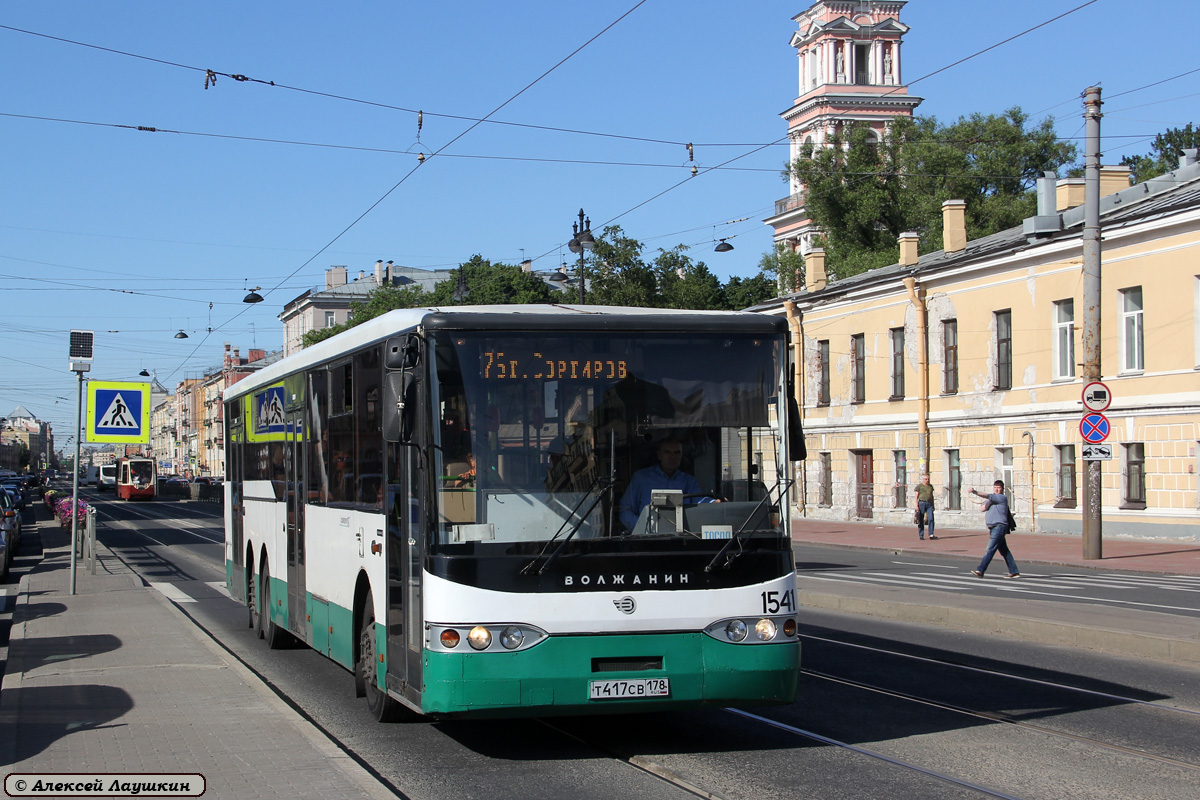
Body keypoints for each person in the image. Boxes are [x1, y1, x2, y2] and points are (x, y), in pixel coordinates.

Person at [618, 437, 718, 531]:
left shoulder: (688, 481)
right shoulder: (641, 478)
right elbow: (625, 509)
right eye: (667, 452)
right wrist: (642, 528)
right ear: (659, 455)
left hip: (683, 538)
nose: (672, 456)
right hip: (647, 541)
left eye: (677, 453)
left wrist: (714, 503)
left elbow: (700, 501)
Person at [969, 480, 1020, 579]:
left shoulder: (1002, 497)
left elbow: (986, 495)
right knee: (1004, 551)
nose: (996, 489)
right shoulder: (993, 499)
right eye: (995, 487)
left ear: (1002, 489)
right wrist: (990, 501)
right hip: (993, 528)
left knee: (990, 549)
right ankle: (1014, 571)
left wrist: (974, 492)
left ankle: (981, 570)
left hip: (999, 527)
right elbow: (982, 508)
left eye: (998, 487)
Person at [913, 474, 937, 540]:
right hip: (921, 503)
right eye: (926, 479)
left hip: (929, 503)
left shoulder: (930, 487)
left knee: (931, 518)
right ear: (923, 479)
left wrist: (933, 505)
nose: (927, 480)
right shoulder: (919, 487)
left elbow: (932, 496)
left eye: (928, 479)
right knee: (921, 519)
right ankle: (921, 535)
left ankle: (931, 534)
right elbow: (916, 497)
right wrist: (916, 505)